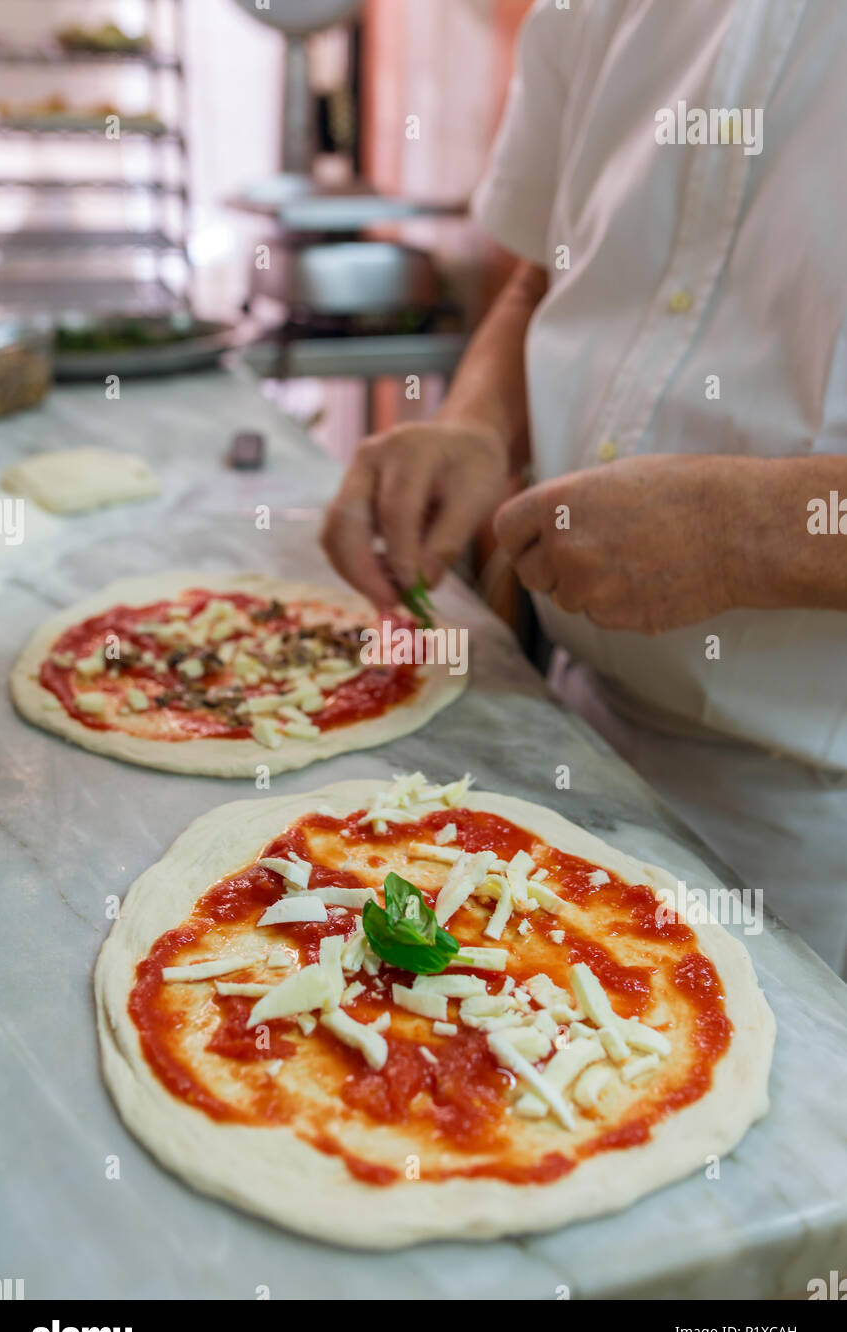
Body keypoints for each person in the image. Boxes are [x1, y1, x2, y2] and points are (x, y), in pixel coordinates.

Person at [321, 0, 847, 976]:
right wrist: (476, 425)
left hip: (820, 839)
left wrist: (758, 531)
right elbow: (543, 277)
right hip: (572, 738)